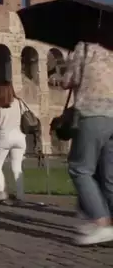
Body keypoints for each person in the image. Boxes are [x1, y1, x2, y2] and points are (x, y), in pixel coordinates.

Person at [61, 39, 113, 245]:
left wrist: (67, 70)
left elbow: (69, 79)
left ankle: (101, 223)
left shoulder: (85, 47)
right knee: (109, 176)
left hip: (93, 113)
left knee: (80, 169)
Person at [0, 82, 26, 204]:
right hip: (20, 136)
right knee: (17, 167)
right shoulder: (19, 102)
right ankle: (20, 196)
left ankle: (1, 191)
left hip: (4, 136)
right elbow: (25, 116)